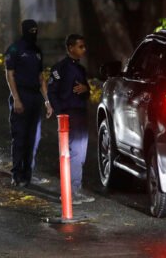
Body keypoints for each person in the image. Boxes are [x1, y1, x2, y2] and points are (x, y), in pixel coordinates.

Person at [48, 34, 95, 204]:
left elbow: (87, 92)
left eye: (84, 46)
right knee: (73, 152)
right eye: (80, 46)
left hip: (81, 113)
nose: (84, 49)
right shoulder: (59, 68)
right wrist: (60, 114)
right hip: (69, 114)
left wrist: (85, 89)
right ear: (70, 48)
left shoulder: (80, 69)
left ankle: (76, 189)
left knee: (80, 154)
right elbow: (52, 92)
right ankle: (70, 192)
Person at [5, 19, 53, 187]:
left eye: (35, 30)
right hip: (21, 95)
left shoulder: (37, 51)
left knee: (32, 139)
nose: (34, 33)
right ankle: (16, 175)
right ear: (24, 30)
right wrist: (16, 99)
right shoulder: (15, 49)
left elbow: (41, 78)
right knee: (19, 137)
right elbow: (10, 75)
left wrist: (47, 101)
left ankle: (27, 175)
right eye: (31, 30)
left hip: (34, 98)